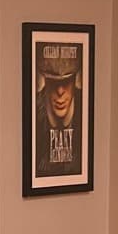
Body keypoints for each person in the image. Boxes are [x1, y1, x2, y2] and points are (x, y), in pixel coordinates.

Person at [33, 42, 83, 177]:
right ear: (45, 82)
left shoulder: (85, 113)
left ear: (75, 81)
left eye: (66, 82)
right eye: (54, 82)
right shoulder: (34, 114)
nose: (60, 91)